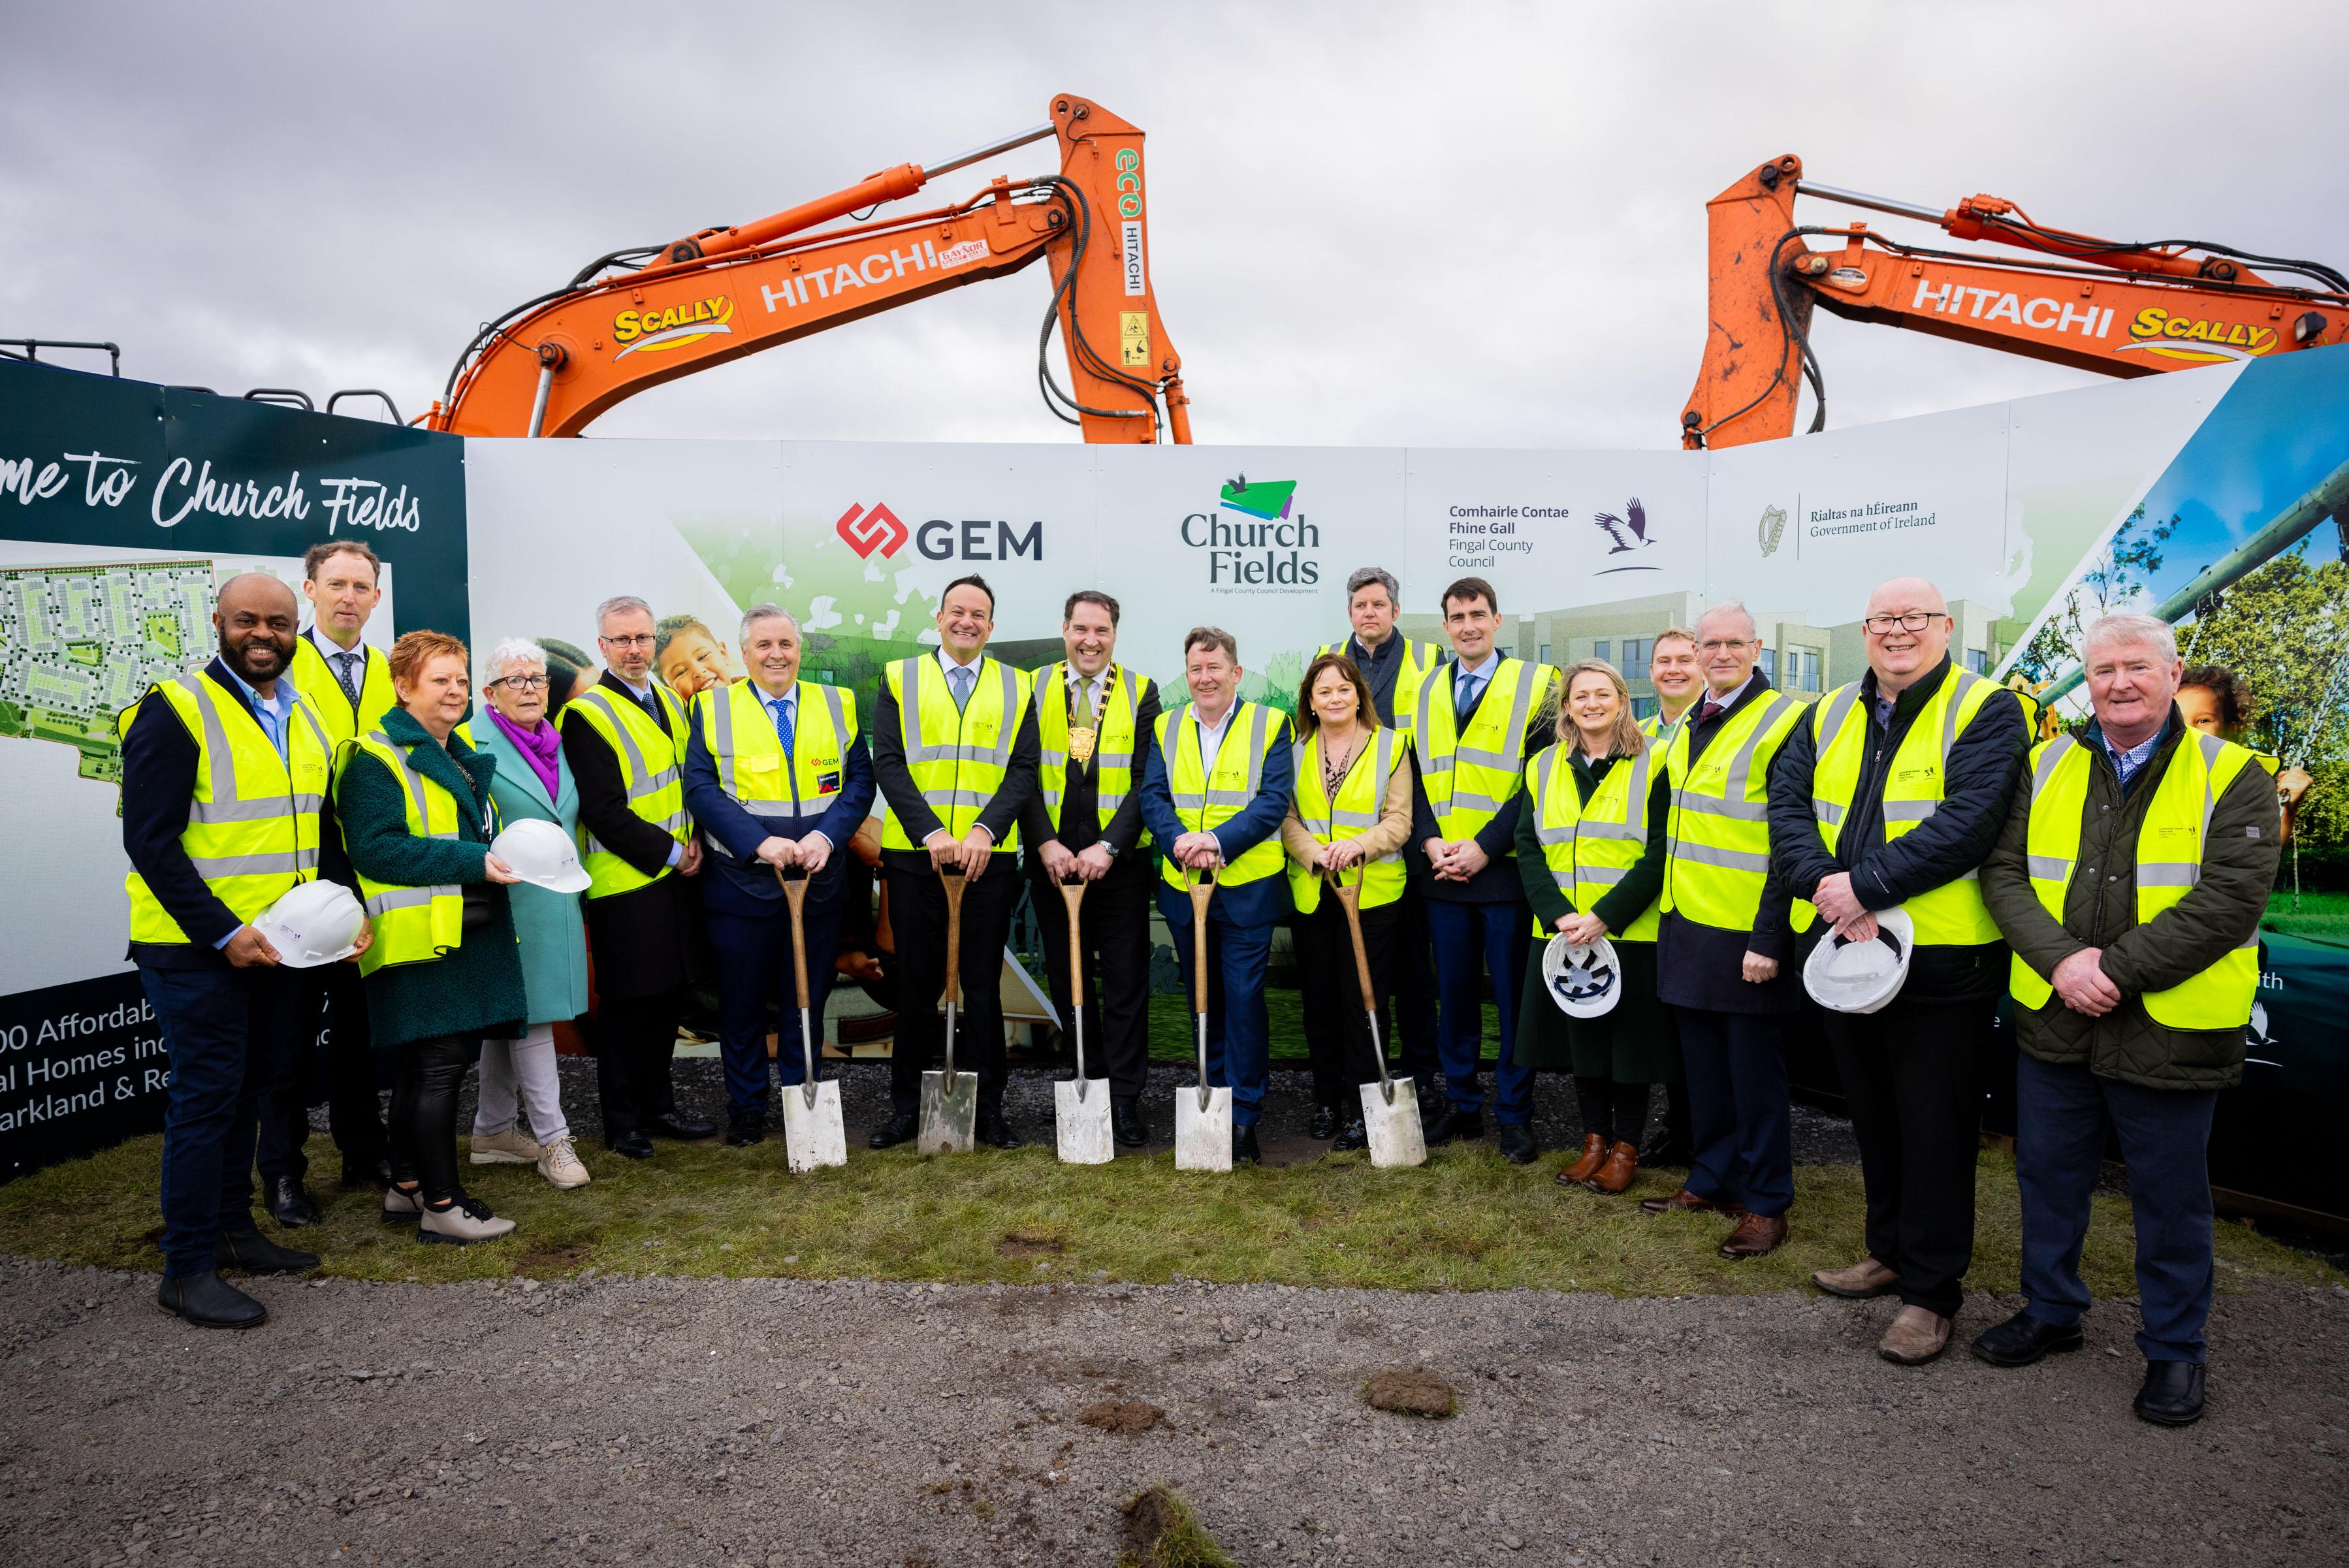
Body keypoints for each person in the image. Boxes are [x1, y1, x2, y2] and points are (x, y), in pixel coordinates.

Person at [1975, 613, 2279, 1426]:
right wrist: (2064, 964)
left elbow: (2228, 901)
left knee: (2170, 1198)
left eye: (2137, 666)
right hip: (2058, 1014)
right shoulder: (2043, 765)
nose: (2119, 682)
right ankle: (2051, 1311)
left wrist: (2108, 969)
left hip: (2170, 1025)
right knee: (2048, 1175)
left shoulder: (2237, 773)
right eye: (2103, 667)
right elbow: (2004, 877)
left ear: (2172, 674)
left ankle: (2176, 1352)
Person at [1769, 579, 2028, 1364]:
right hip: (1850, 948)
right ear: (1865, 629)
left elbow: (1971, 821)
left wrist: (1864, 886)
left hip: (1943, 959)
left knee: (1936, 1126)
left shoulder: (1987, 707)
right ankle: (1887, 1252)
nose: (1897, 631)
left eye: (1914, 618)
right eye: (1883, 619)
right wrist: (1825, 886)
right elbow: (1785, 805)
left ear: (1945, 627)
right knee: (1874, 1116)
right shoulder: (1826, 712)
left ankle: (1931, 1295)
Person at [120, 573, 344, 1328]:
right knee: (205, 1102)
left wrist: (341, 918)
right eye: (247, 620)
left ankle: (233, 1228)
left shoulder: (304, 712)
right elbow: (150, 842)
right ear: (218, 621)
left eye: (278, 623)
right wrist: (223, 931)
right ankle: (185, 1266)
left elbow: (311, 831)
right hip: (196, 951)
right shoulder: (175, 708)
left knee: (251, 1094)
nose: (263, 634)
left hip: (281, 950)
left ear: (295, 626)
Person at [337, 631, 526, 1242]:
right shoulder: (375, 755)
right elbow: (376, 847)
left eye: (461, 680)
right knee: (437, 1069)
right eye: (440, 680)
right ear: (402, 686)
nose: (455, 691)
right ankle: (444, 1206)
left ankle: (407, 1187)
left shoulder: (454, 748)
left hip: (459, 933)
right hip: (420, 938)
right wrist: (475, 861)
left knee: (431, 1069)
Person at [1642, 600, 1806, 1258]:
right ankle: (1712, 1179)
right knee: (1704, 1071)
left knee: (1755, 1078)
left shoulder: (1784, 721)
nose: (1719, 654)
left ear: (1757, 648)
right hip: (1687, 923)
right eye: (1709, 644)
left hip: (1747, 933)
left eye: (1733, 643)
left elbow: (1791, 840)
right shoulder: (1687, 723)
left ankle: (1767, 1202)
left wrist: (1770, 937)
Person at [683, 605, 874, 1145]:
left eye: (786, 644)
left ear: (799, 649)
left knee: (805, 1002)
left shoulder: (836, 703)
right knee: (741, 1008)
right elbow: (699, 787)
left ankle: (802, 1096)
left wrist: (825, 837)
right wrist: (758, 842)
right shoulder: (713, 707)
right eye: (763, 645)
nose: (776, 654)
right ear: (743, 653)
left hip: (817, 885)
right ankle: (746, 1107)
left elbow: (859, 782)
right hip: (741, 886)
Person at [868, 575, 1041, 1151]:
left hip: (986, 861)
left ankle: (989, 1109)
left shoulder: (1018, 687)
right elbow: (888, 763)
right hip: (917, 858)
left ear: (991, 626)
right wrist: (932, 832)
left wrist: (985, 830)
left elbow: (1023, 770)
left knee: (982, 988)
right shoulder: (901, 678)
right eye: (957, 611)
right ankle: (906, 1109)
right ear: (938, 617)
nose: (967, 621)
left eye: (980, 614)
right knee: (915, 987)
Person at [257, 541, 398, 1226]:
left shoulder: (391, 672)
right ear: (308, 591)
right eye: (335, 584)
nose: (349, 596)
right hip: (296, 876)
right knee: (286, 1036)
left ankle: (363, 1150)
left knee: (359, 1027)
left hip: (368, 870)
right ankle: (282, 1174)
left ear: (376, 597)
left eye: (361, 586)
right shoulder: (281, 666)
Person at [1405, 577, 1558, 1162]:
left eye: (1477, 614)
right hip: (1442, 876)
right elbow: (1412, 777)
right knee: (1456, 999)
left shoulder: (1540, 685)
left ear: (1497, 620)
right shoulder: (1422, 692)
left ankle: (1516, 1115)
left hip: (1504, 876)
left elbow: (1539, 780)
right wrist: (1429, 840)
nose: (1467, 625)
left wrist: (1486, 847)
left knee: (1514, 1006)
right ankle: (1463, 1106)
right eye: (1456, 616)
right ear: (1444, 626)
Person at [560, 596, 714, 1160]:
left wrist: (691, 843)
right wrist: (674, 853)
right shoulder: (586, 714)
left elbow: (682, 783)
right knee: (628, 1009)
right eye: (621, 640)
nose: (633, 649)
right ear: (602, 646)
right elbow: (603, 810)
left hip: (674, 877)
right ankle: (622, 1121)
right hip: (625, 884)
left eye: (642, 638)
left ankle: (659, 1106)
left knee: (667, 1002)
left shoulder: (670, 703)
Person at [1514, 659, 1673, 1195]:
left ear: (1622, 700)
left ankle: (1626, 1146)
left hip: (1627, 933)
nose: (1591, 704)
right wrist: (1557, 913)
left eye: (1602, 694)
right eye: (1579, 696)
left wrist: (1606, 915)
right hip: (1561, 936)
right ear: (1565, 708)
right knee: (1583, 1040)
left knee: (1627, 1045)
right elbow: (1527, 846)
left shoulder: (1656, 762)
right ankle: (1593, 1142)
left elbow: (1660, 852)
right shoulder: (1540, 766)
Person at [1139, 627, 1296, 1165]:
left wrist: (1216, 840)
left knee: (1245, 999)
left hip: (1245, 887)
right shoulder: (1166, 724)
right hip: (1185, 887)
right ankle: (1212, 1093)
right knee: (1201, 999)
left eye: (1214, 667)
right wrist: (1179, 841)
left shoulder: (1271, 723)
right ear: (1188, 675)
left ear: (1235, 671)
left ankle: (1245, 1114)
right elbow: (1152, 795)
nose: (1204, 677)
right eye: (1195, 669)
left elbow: (1273, 801)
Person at [1021, 590, 1163, 1148]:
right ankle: (1089, 1078)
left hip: (1117, 868)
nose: (1090, 640)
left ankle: (1125, 1098)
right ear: (1064, 629)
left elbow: (1145, 778)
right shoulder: (1032, 687)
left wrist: (1108, 846)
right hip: (1052, 865)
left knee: (1126, 983)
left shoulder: (1140, 691)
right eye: (1081, 628)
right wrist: (1046, 843)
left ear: (1114, 634)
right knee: (1068, 980)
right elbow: (1023, 772)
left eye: (1101, 630)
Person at [470, 638, 594, 1189]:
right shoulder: (472, 742)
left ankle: (492, 1131)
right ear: (490, 692)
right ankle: (553, 1140)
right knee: (534, 1015)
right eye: (515, 680)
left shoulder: (558, 741)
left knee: (513, 1019)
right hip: (508, 900)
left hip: (557, 898)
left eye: (537, 679)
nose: (529, 689)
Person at [1318, 566, 1444, 1110]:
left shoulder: (1429, 661)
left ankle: (1421, 1076)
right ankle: (1360, 1080)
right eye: (1359, 605)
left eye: (1378, 604)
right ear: (1350, 613)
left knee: (1415, 971)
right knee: (1344, 983)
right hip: (1340, 854)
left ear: (1395, 610)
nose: (1368, 613)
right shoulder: (1328, 657)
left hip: (1412, 834)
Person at [1282, 654, 1414, 1149]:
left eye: (1343, 689)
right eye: (1323, 692)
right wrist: (1316, 853)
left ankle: (1366, 1105)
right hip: (1314, 891)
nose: (1334, 698)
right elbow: (1286, 817)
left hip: (1373, 893)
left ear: (1359, 694)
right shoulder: (1294, 750)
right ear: (1310, 703)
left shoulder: (1391, 746)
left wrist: (1357, 845)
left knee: (1365, 1001)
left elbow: (1399, 819)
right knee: (1318, 1002)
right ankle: (1325, 1099)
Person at [1636, 626, 1704, 1168]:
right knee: (1663, 1025)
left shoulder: (1711, 727)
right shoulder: (1634, 734)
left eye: (1685, 658)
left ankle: (1693, 1130)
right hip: (1645, 901)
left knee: (1692, 1027)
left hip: (1697, 899)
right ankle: (1677, 1127)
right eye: (1664, 660)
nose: (1674, 669)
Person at [2178, 664, 2310, 843]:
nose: (2189, 731)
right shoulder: (2147, 775)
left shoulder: (2243, 785)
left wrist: (2288, 810)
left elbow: (2261, 848)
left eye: (2203, 721)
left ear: (2229, 729)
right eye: (2177, 720)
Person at [656, 614, 737, 701]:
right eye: (681, 672)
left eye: (703, 657)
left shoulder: (752, 688)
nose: (699, 672)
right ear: (672, 692)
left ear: (723, 653)